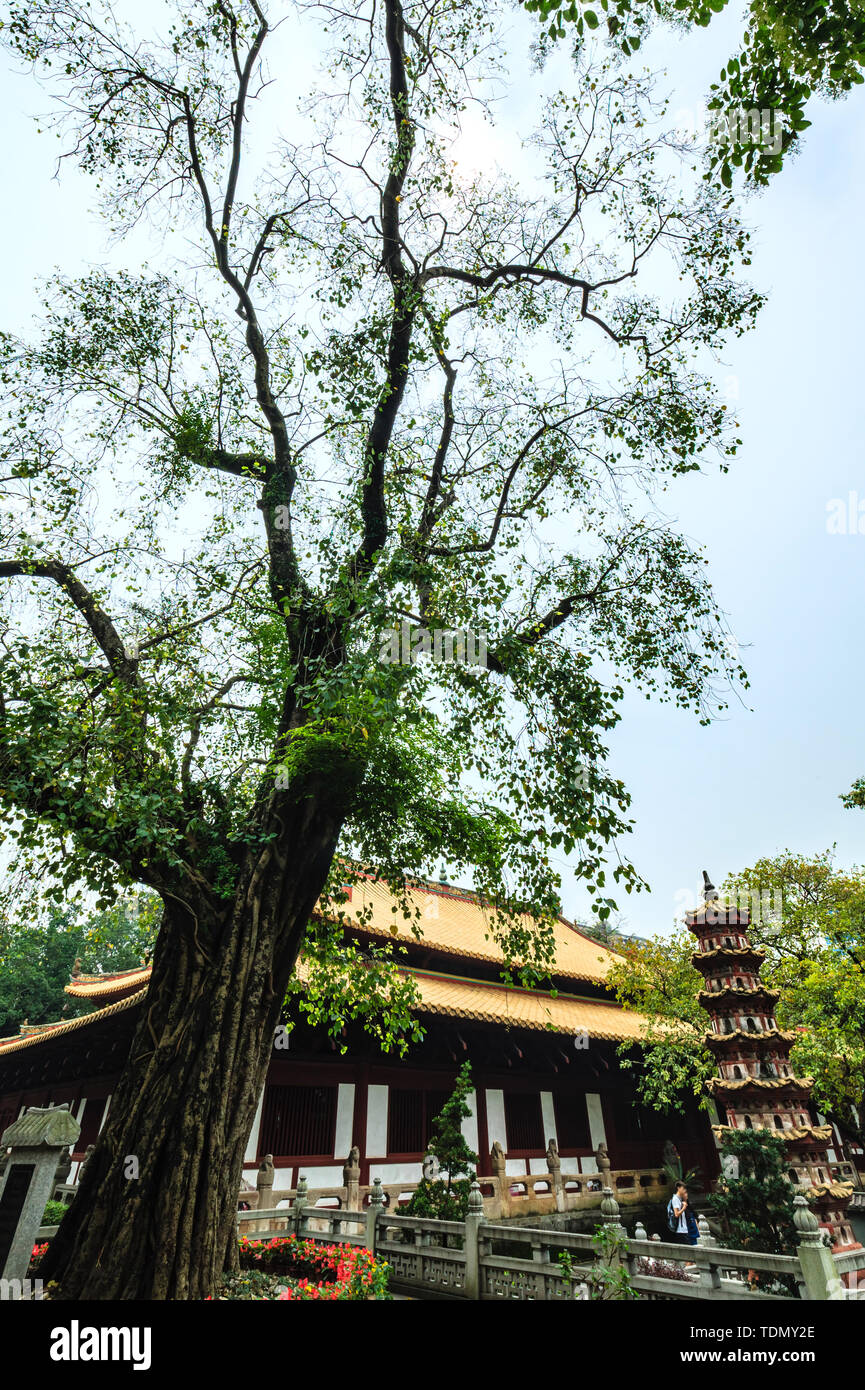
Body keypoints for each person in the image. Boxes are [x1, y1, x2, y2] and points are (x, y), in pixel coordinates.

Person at [668, 1180, 690, 1245]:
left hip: (684, 1229)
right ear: (678, 1188)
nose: (684, 1190)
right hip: (680, 1230)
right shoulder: (675, 1199)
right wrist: (684, 1207)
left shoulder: (679, 1199)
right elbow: (676, 1214)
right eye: (683, 1188)